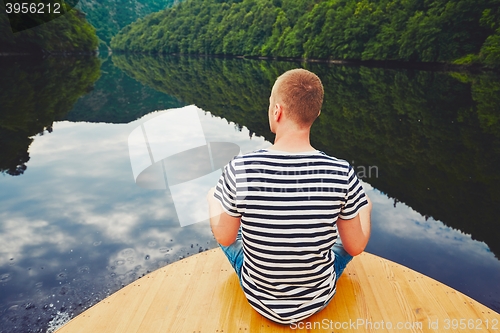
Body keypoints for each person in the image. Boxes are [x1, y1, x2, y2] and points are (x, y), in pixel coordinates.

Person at [206, 68, 372, 325]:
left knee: (228, 221)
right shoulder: (341, 171)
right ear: (315, 113)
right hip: (317, 298)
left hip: (258, 297)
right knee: (346, 236)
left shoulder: (241, 167)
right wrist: (366, 208)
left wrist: (212, 198)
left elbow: (225, 237)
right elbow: (356, 246)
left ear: (277, 111)